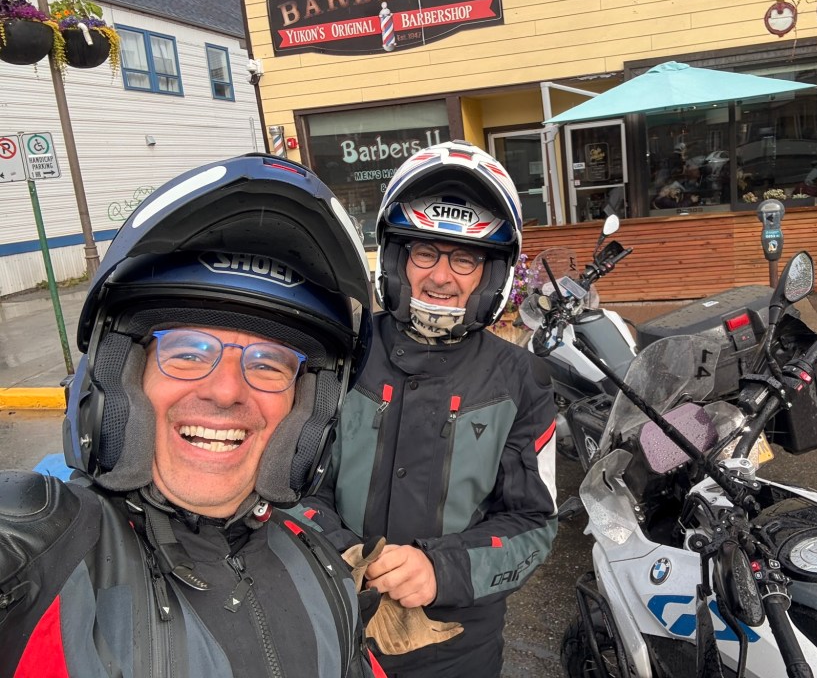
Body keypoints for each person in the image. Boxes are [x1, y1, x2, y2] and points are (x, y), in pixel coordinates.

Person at [0, 155, 385, 678]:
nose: (225, 390)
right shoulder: (38, 559)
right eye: (186, 351)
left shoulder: (326, 575)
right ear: (121, 374)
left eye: (269, 363)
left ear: (306, 411)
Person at [307, 140, 558, 677]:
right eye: (425, 252)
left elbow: (534, 524)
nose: (442, 277)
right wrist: (342, 552)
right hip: (329, 619)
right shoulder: (342, 354)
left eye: (465, 259)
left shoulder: (522, 380)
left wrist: (441, 570)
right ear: (397, 259)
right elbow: (293, 481)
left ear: (491, 275)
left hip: (456, 646)